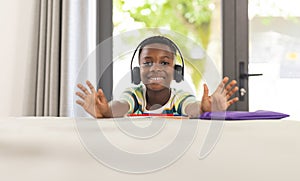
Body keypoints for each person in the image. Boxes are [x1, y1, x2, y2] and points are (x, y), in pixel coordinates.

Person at [76, 35, 239, 118]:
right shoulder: (134, 96)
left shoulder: (180, 98)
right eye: (147, 63)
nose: (155, 68)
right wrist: (106, 111)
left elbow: (192, 108)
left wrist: (204, 109)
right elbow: (120, 106)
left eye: (164, 63)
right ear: (137, 71)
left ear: (176, 71)